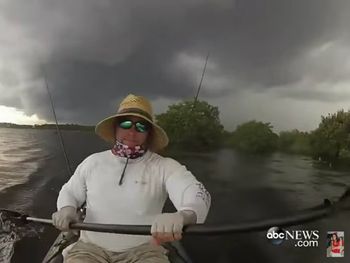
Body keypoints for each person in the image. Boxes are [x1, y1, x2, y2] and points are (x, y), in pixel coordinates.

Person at [52, 94, 211, 263]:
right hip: (89, 249)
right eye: (125, 123)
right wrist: (67, 208)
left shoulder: (166, 166)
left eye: (141, 126)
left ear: (149, 133)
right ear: (115, 128)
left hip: (145, 251)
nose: (132, 131)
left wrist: (183, 216)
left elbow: (198, 194)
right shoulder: (92, 162)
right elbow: (69, 191)